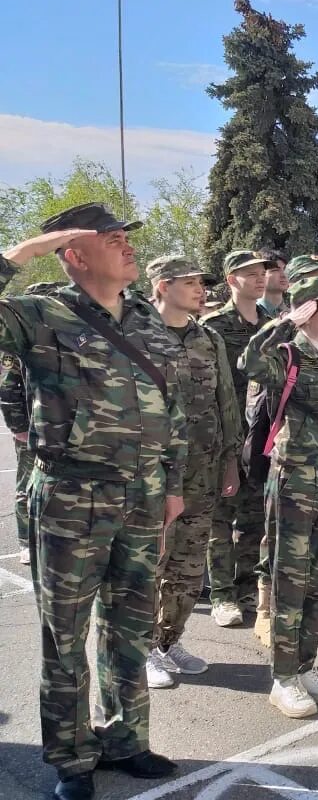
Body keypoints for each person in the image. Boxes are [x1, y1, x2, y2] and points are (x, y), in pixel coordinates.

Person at [0, 203, 188, 800]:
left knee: (129, 628)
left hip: (142, 495)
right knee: (66, 636)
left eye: (126, 237)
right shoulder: (39, 314)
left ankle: (126, 739)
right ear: (76, 254)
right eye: (111, 239)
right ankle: (72, 759)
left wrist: (174, 485)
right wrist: (27, 250)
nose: (128, 246)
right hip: (69, 497)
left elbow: (174, 410)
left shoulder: (147, 321)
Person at [240, 275, 318, 718]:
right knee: (289, 580)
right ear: (309, 314)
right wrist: (286, 323)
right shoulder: (287, 355)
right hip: (295, 480)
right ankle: (283, 677)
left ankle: (306, 666)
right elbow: (248, 361)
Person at [143, 256, 242, 689]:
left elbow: (227, 401)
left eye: (202, 282)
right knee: (150, 563)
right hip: (153, 472)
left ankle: (168, 643)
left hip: (202, 468)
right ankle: (141, 650)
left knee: (187, 567)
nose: (201, 289)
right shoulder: (139, 334)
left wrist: (231, 457)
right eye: (190, 283)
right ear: (163, 287)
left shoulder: (208, 337)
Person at [200, 250, 276, 627]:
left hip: (261, 437)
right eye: (250, 273)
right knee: (221, 520)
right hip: (226, 436)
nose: (260, 278)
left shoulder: (272, 323)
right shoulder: (213, 326)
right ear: (231, 280)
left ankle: (247, 587)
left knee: (253, 518)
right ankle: (222, 595)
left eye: (262, 272)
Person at [0, 348, 33, 564]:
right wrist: (19, 427)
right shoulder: (19, 338)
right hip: (31, 428)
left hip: (63, 429)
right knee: (26, 486)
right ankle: (26, 542)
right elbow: (7, 384)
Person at [257, 249, 290, 318]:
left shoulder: (293, 315)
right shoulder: (250, 313)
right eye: (275, 270)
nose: (283, 275)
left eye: (285, 269)